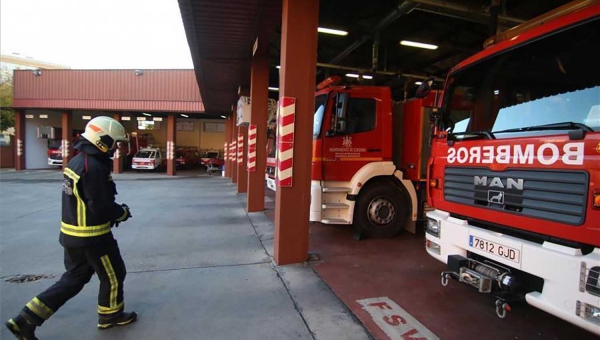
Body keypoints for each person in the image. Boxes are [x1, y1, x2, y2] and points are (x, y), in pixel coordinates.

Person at [5, 116, 136, 340]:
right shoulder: (92, 167)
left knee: (73, 280)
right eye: (115, 142)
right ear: (102, 140)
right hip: (93, 238)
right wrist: (121, 212)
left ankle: (26, 319)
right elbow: (101, 206)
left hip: (73, 236)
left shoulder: (78, 161)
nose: (117, 148)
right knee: (114, 275)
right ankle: (111, 316)